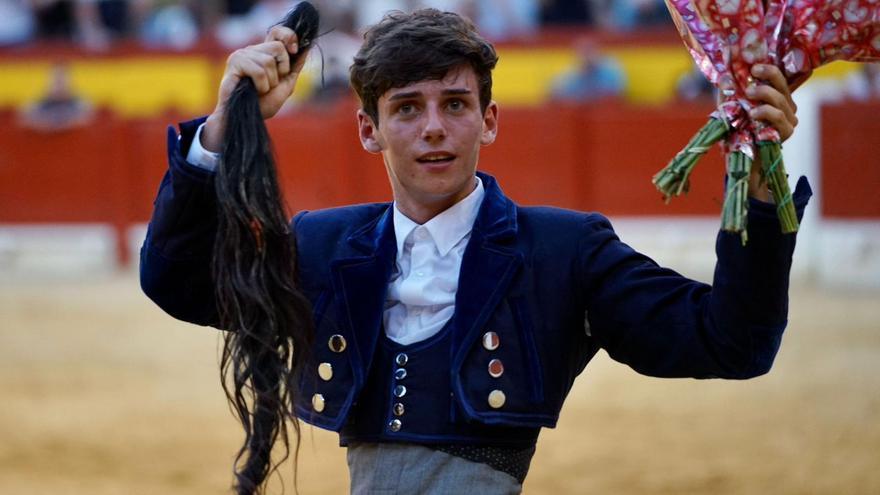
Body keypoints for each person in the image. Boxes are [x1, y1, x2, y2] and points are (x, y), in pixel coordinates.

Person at [140, 8, 811, 494]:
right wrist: (225, 127)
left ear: (489, 120)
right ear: (369, 130)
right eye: (407, 108)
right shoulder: (324, 247)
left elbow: (731, 342)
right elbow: (178, 280)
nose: (434, 128)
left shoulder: (563, 251)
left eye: (455, 103)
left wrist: (759, 197)